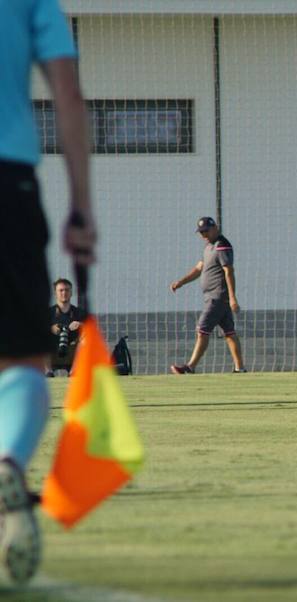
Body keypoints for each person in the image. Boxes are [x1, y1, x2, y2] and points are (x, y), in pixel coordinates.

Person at [0, 0, 96, 585]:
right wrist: (81, 207)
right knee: (22, 364)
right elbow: (68, 94)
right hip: (8, 183)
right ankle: (8, 460)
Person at [169, 217, 246, 374]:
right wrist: (181, 282)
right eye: (201, 232)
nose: (203, 235)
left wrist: (232, 297)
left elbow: (228, 271)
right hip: (213, 296)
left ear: (215, 228)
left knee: (202, 330)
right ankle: (240, 368)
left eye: (206, 231)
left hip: (217, 297)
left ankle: (190, 367)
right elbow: (199, 268)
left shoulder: (222, 246)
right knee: (229, 332)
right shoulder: (208, 247)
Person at [47, 277, 87, 375]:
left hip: (73, 352)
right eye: (60, 290)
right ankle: (47, 371)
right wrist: (51, 328)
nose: (64, 293)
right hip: (52, 351)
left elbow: (91, 331)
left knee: (87, 337)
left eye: (67, 290)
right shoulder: (48, 313)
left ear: (71, 293)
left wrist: (80, 325)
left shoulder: (79, 313)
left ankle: (74, 371)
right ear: (55, 293)